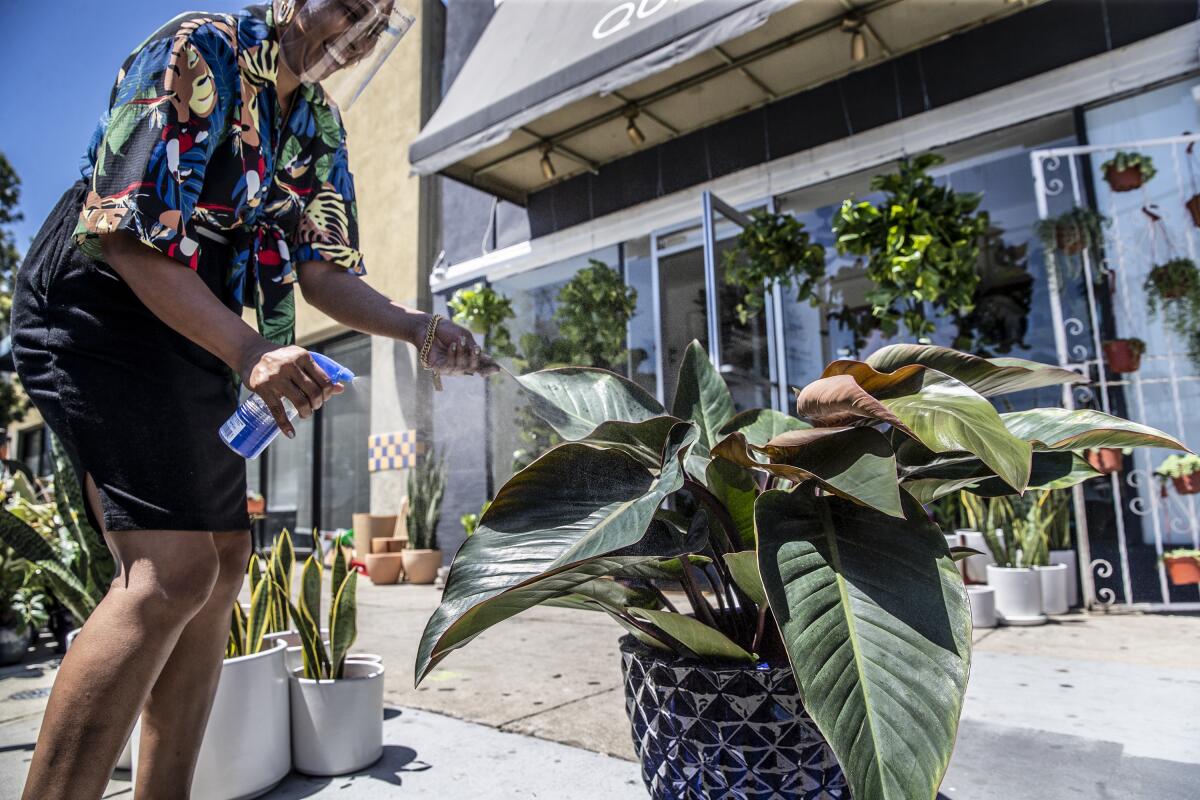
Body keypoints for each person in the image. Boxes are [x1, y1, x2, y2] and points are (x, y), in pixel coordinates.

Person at [11, 2, 492, 798]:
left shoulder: (318, 125)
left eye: (377, 20)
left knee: (225, 560)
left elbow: (322, 269)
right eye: (347, 5)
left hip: (194, 323)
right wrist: (250, 350)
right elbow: (124, 232)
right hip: (98, 299)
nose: (357, 31)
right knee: (167, 572)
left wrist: (417, 328)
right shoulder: (201, 47)